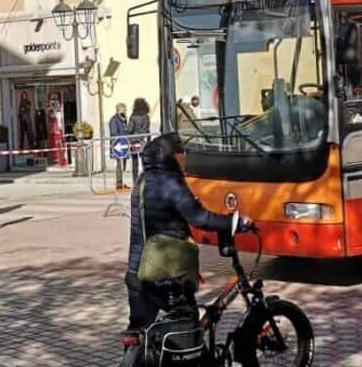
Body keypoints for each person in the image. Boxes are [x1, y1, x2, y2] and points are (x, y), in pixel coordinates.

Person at [124, 132, 253, 338]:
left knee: (138, 333)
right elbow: (199, 218)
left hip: (136, 272)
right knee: (190, 328)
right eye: (181, 154)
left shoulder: (142, 181)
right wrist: (236, 223)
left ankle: (135, 358)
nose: (185, 159)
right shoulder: (171, 183)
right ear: (169, 157)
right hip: (165, 274)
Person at [126, 97, 151, 186]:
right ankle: (146, 180)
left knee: (135, 162)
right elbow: (147, 129)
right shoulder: (146, 117)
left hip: (133, 140)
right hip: (143, 140)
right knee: (144, 161)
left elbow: (129, 129)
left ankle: (135, 181)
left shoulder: (133, 117)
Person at [108, 102, 129, 191]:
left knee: (122, 165)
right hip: (117, 145)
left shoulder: (123, 119)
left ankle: (121, 182)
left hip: (123, 145)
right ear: (119, 110)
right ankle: (119, 183)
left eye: (125, 109)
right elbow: (114, 133)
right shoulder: (114, 120)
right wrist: (121, 138)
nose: (125, 111)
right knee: (118, 165)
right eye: (123, 109)